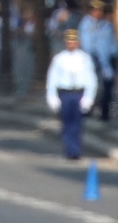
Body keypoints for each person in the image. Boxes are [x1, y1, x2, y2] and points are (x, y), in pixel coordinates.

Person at [45, 29, 99, 161]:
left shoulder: (84, 58)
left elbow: (91, 79)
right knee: (66, 122)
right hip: (65, 93)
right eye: (69, 41)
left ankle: (75, 150)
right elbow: (52, 79)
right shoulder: (59, 59)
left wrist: (89, 97)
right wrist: (52, 97)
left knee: (77, 124)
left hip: (79, 93)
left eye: (74, 41)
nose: (71, 44)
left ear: (78, 42)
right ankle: (69, 148)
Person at [81, 0, 118, 120]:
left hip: (106, 63)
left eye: (99, 10)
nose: (97, 12)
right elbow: (86, 44)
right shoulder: (86, 24)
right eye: (95, 10)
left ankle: (104, 112)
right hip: (92, 61)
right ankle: (87, 109)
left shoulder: (107, 26)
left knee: (107, 88)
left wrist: (114, 58)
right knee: (90, 87)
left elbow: (112, 45)